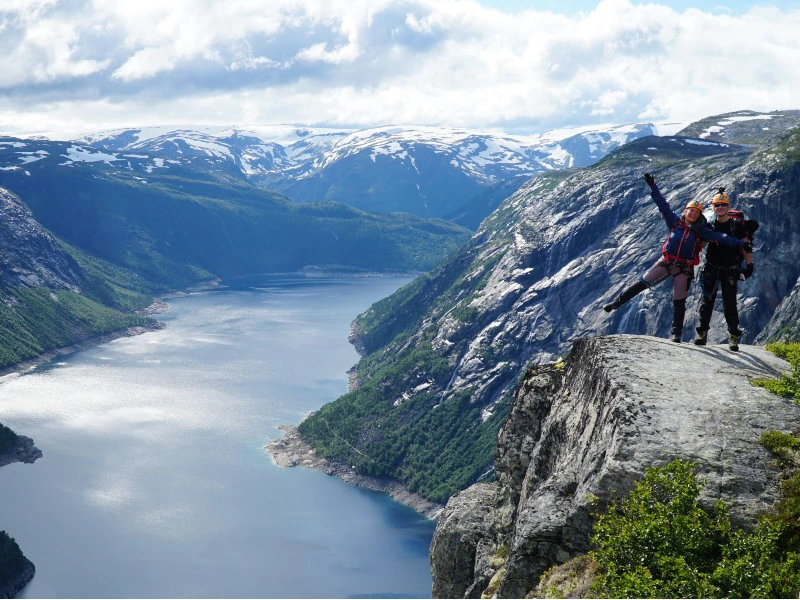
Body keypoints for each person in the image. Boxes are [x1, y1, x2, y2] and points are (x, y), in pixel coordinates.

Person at [603, 173, 752, 343]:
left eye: (697, 212)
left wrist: (741, 244)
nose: (694, 214)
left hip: (684, 268)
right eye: (691, 211)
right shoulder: (675, 222)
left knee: (679, 301)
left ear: (700, 215)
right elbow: (662, 204)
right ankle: (615, 304)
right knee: (642, 282)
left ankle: (676, 334)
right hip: (666, 262)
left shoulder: (701, 230)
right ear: (685, 211)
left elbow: (721, 237)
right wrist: (653, 186)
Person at [693, 188, 754, 351]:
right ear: (713, 207)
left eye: (723, 205)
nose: (720, 207)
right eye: (717, 205)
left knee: (730, 305)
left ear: (728, 207)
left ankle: (733, 338)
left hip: (730, 270)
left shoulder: (736, 226)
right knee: (706, 303)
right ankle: (702, 334)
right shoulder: (709, 226)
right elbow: (702, 244)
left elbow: (746, 247)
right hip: (711, 268)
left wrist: (749, 266)